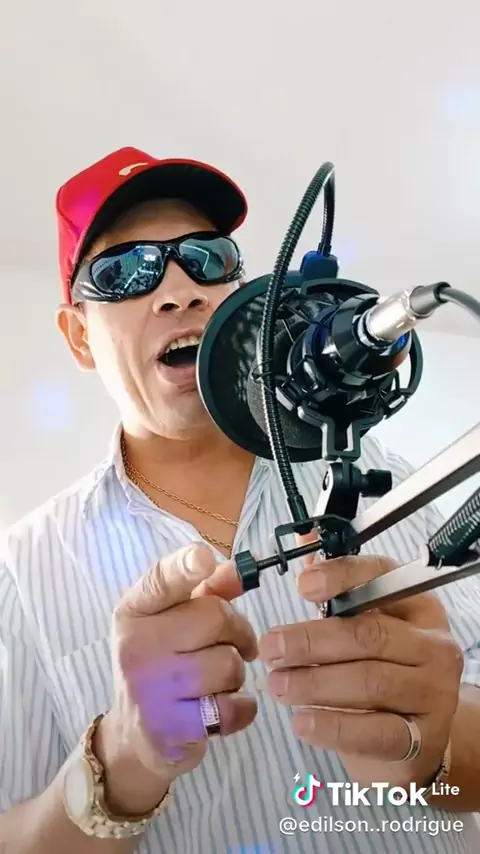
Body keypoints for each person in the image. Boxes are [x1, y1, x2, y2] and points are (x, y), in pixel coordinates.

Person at [0, 146, 479, 854]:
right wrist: (123, 760)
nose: (179, 291)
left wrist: (436, 747)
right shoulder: (21, 572)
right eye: (123, 271)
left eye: (207, 258)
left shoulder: (385, 479)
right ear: (79, 337)